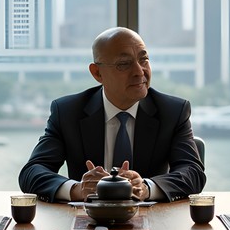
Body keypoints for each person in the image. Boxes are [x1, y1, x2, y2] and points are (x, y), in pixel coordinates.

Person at [18, 27, 206, 202]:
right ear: (97, 73)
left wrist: (146, 188)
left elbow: (193, 172)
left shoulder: (172, 111)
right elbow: (32, 172)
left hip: (153, 223)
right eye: (124, 64)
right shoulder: (68, 112)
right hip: (86, 224)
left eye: (144, 59)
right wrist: (78, 189)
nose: (139, 71)